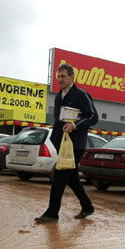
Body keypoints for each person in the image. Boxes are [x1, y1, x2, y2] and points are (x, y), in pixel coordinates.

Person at [35, 64, 98, 223]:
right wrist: (54, 138)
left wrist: (74, 125)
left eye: (63, 76)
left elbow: (93, 117)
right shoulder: (58, 97)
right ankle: (87, 206)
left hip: (75, 145)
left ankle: (52, 213)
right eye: (58, 77)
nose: (60, 80)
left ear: (72, 77)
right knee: (72, 178)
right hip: (61, 143)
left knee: (59, 176)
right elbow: (58, 120)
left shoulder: (81, 95)